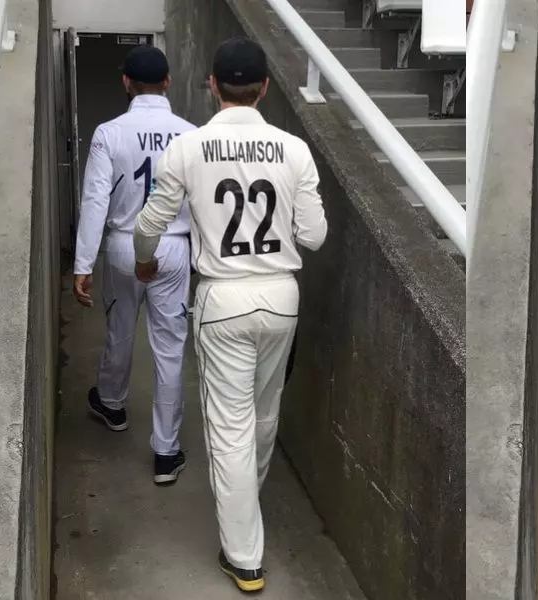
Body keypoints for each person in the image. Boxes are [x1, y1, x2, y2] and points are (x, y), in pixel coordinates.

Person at [132, 37, 328, 593]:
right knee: (263, 418)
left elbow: (150, 224)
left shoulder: (188, 148)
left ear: (213, 85)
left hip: (222, 299)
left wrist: (144, 262)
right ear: (264, 88)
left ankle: (244, 557)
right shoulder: (294, 149)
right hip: (281, 297)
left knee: (229, 428)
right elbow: (314, 236)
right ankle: (247, 511)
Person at [72, 44, 196, 485]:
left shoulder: (109, 133)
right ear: (167, 82)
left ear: (126, 83)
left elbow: (94, 200)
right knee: (170, 349)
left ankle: (112, 403)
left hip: (125, 243)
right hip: (174, 246)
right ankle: (166, 453)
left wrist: (83, 263)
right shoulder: (191, 134)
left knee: (120, 328)